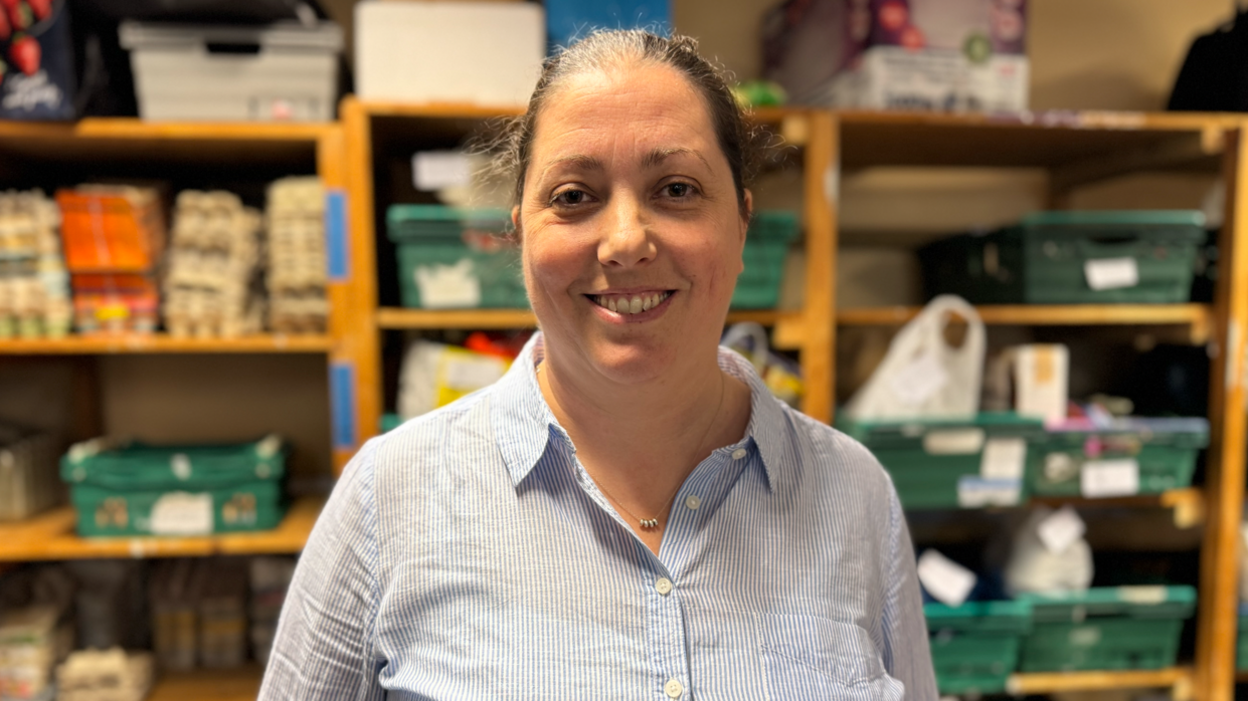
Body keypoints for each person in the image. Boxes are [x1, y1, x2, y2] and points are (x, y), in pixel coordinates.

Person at [259, 29, 937, 700]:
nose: (624, 241)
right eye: (574, 196)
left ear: (741, 225)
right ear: (520, 230)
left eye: (675, 188)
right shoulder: (388, 501)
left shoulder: (856, 497)